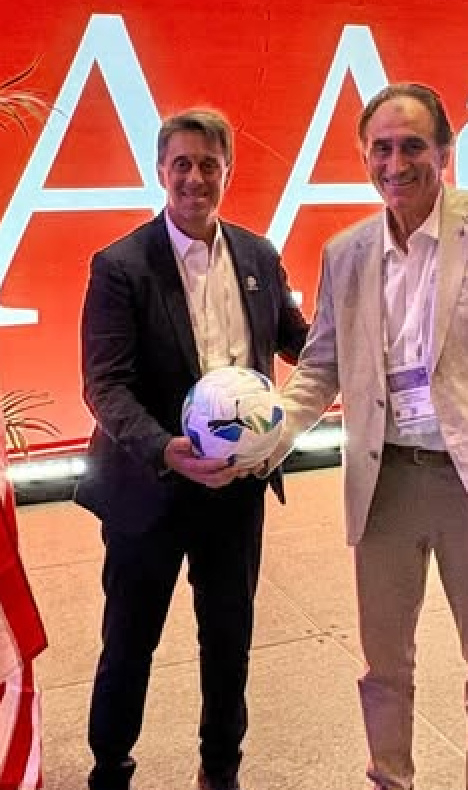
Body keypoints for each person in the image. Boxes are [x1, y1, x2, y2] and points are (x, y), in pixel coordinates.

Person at [266, 83, 468, 790]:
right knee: (383, 667)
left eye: (412, 145)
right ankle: (390, 780)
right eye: (381, 148)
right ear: (364, 157)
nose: (396, 163)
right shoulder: (346, 252)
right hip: (383, 485)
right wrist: (267, 439)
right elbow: (319, 367)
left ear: (443, 151)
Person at [76, 107, 309, 790]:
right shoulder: (120, 266)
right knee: (130, 643)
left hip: (235, 488)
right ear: (160, 170)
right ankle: (110, 770)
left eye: (209, 164)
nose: (195, 178)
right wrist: (164, 449)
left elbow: (297, 340)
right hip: (148, 487)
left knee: (229, 640)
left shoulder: (258, 256)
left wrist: (360, 336)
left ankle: (220, 770)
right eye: (182, 163)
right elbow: (105, 385)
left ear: (227, 171)